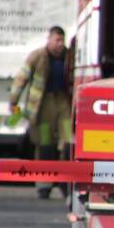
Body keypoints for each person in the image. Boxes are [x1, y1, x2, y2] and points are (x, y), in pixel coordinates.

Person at [9, 26, 73, 199]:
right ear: (49, 40)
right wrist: (13, 100)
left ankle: (65, 183)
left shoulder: (69, 56)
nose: (60, 44)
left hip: (63, 103)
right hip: (43, 104)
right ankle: (44, 185)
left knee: (68, 143)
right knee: (46, 145)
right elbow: (21, 77)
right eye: (56, 40)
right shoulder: (38, 56)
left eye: (62, 40)